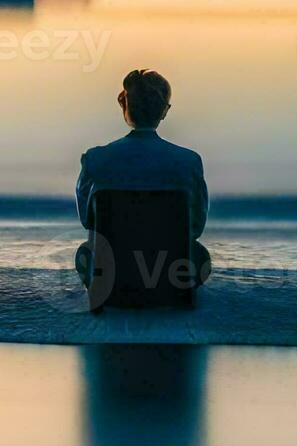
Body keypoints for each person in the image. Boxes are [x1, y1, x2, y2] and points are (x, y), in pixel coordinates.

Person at [75, 69, 211, 285]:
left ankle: (104, 297)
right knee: (199, 253)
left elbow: (88, 220)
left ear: (124, 105)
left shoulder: (95, 159)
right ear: (164, 111)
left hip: (114, 272)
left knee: (85, 251)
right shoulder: (188, 161)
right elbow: (196, 226)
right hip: (170, 273)